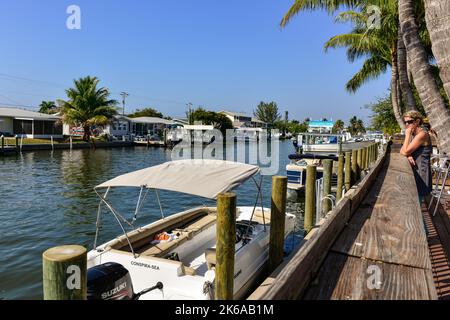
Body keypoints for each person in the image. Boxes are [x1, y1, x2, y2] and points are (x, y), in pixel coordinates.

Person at [400, 111, 432, 204]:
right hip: (415, 170)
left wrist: (407, 135)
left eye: (409, 122)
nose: (407, 124)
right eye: (405, 122)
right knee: (413, 200)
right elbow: (402, 150)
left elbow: (405, 150)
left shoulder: (422, 134)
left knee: (416, 203)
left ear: (417, 121)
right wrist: (409, 154)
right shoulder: (414, 134)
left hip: (421, 172)